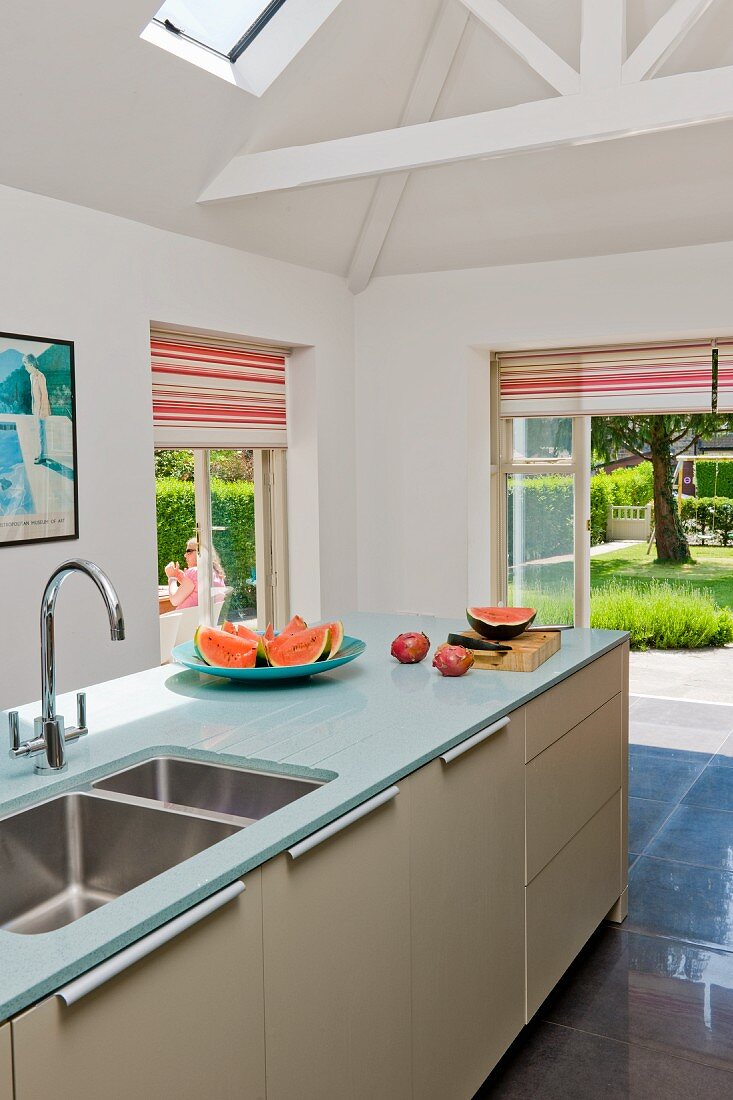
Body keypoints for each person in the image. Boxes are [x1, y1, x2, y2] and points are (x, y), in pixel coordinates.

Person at [164, 537, 226, 609]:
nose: (185, 555)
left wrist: (172, 577)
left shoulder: (194, 571)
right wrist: (183, 579)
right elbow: (196, 593)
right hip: (203, 619)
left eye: (189, 551)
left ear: (200, 553)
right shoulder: (216, 574)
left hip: (186, 619)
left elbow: (174, 600)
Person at [23, 354, 51, 464]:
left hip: (42, 409)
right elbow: (34, 395)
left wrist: (42, 411)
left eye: (26, 365)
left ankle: (42, 456)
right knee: (40, 432)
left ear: (30, 364)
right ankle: (42, 454)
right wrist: (34, 408)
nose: (25, 368)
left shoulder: (40, 376)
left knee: (41, 433)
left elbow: (44, 395)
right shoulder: (32, 377)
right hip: (37, 408)